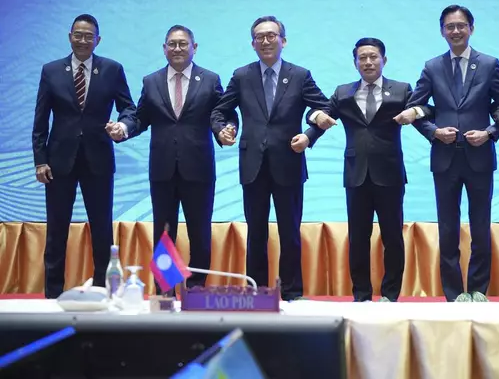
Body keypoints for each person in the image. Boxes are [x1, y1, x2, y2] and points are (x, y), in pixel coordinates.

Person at [395, 5, 499, 302]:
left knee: (480, 226)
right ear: (442, 31)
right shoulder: (432, 67)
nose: (455, 31)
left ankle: (478, 289)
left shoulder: (489, 64)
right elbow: (418, 109)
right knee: (448, 227)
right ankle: (453, 293)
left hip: (480, 158)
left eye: (461, 26)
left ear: (471, 29)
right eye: (449, 27)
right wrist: (433, 132)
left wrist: (490, 133)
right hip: (445, 158)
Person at [210, 16, 328, 301]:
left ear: (283, 41)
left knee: (290, 233)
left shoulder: (300, 75)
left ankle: (292, 292)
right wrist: (223, 129)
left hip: (289, 162)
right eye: (259, 37)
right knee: (256, 235)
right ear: (252, 44)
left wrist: (309, 136)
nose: (265, 41)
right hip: (253, 165)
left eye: (271, 36)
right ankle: (257, 292)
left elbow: (324, 109)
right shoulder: (241, 75)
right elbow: (220, 111)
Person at [108, 25, 234, 292]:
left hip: (199, 169)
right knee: (163, 234)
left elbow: (222, 112)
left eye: (183, 44)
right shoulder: (151, 81)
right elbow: (140, 117)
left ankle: (196, 288)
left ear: (194, 47)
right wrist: (124, 128)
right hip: (162, 170)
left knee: (200, 232)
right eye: (172, 44)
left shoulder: (210, 79)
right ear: (164, 48)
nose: (177, 49)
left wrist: (226, 129)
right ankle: (164, 289)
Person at [308, 37, 433, 302]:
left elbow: (426, 110)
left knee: (392, 237)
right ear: (355, 63)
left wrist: (419, 116)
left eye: (373, 56)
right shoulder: (343, 93)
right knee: (358, 238)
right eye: (362, 57)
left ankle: (390, 295)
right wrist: (310, 132)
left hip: (390, 174)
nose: (368, 62)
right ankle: (361, 295)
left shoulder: (401, 90)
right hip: (356, 175)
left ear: (384, 60)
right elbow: (321, 114)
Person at [32, 14, 136, 298]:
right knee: (56, 230)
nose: (82, 40)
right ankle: (52, 294)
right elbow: (41, 120)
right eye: (78, 35)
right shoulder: (51, 71)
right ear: (69, 37)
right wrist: (40, 160)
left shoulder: (113, 69)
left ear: (97, 40)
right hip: (58, 163)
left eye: (89, 36)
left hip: (98, 159)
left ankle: (104, 290)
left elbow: (129, 108)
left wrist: (122, 125)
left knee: (102, 228)